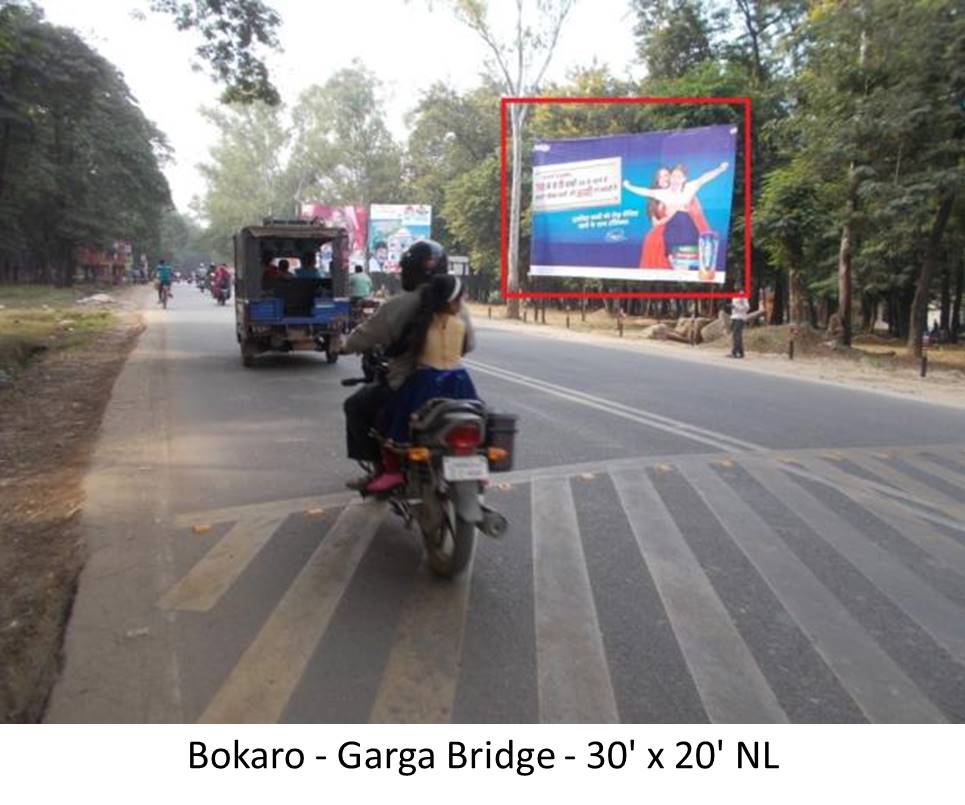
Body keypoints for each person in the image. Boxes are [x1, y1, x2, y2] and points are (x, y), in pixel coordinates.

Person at [341, 240, 471, 486]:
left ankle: (382, 471)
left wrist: (344, 346)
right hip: (457, 385)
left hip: (409, 383)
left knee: (356, 407)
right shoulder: (457, 309)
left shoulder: (399, 304)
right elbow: (469, 344)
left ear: (409, 271)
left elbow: (364, 336)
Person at [366, 274, 478, 492]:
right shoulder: (460, 324)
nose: (460, 304)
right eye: (458, 300)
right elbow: (466, 348)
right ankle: (475, 466)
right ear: (448, 301)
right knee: (474, 417)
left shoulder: (421, 324)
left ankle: (393, 472)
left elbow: (399, 350)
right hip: (460, 382)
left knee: (389, 419)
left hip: (426, 383)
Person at [625, 162, 726, 267]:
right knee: (674, 262)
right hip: (671, 232)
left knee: (685, 263)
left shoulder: (689, 187)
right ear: (670, 178)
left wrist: (720, 169)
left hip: (687, 230)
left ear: (684, 178)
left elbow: (704, 178)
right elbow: (646, 192)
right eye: (673, 176)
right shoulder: (663, 193)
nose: (675, 179)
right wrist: (629, 186)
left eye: (679, 176)